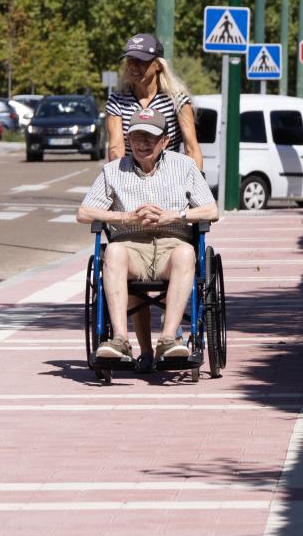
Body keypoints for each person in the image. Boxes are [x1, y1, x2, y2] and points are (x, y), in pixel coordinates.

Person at [77, 106, 219, 365]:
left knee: (187, 253)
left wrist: (174, 216)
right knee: (114, 252)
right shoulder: (112, 171)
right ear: (128, 140)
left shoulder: (185, 167)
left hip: (172, 245)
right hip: (131, 247)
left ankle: (168, 339)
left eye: (151, 137)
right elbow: (84, 212)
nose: (144, 143)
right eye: (137, 136)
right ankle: (120, 340)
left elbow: (212, 210)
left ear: (164, 140)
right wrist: (127, 217)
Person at [104, 32, 203, 170]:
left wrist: (197, 182)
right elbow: (116, 147)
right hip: (131, 177)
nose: (133, 66)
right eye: (130, 60)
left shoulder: (177, 100)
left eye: (141, 61)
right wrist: (117, 180)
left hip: (170, 176)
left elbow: (191, 146)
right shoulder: (117, 100)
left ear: (158, 65)